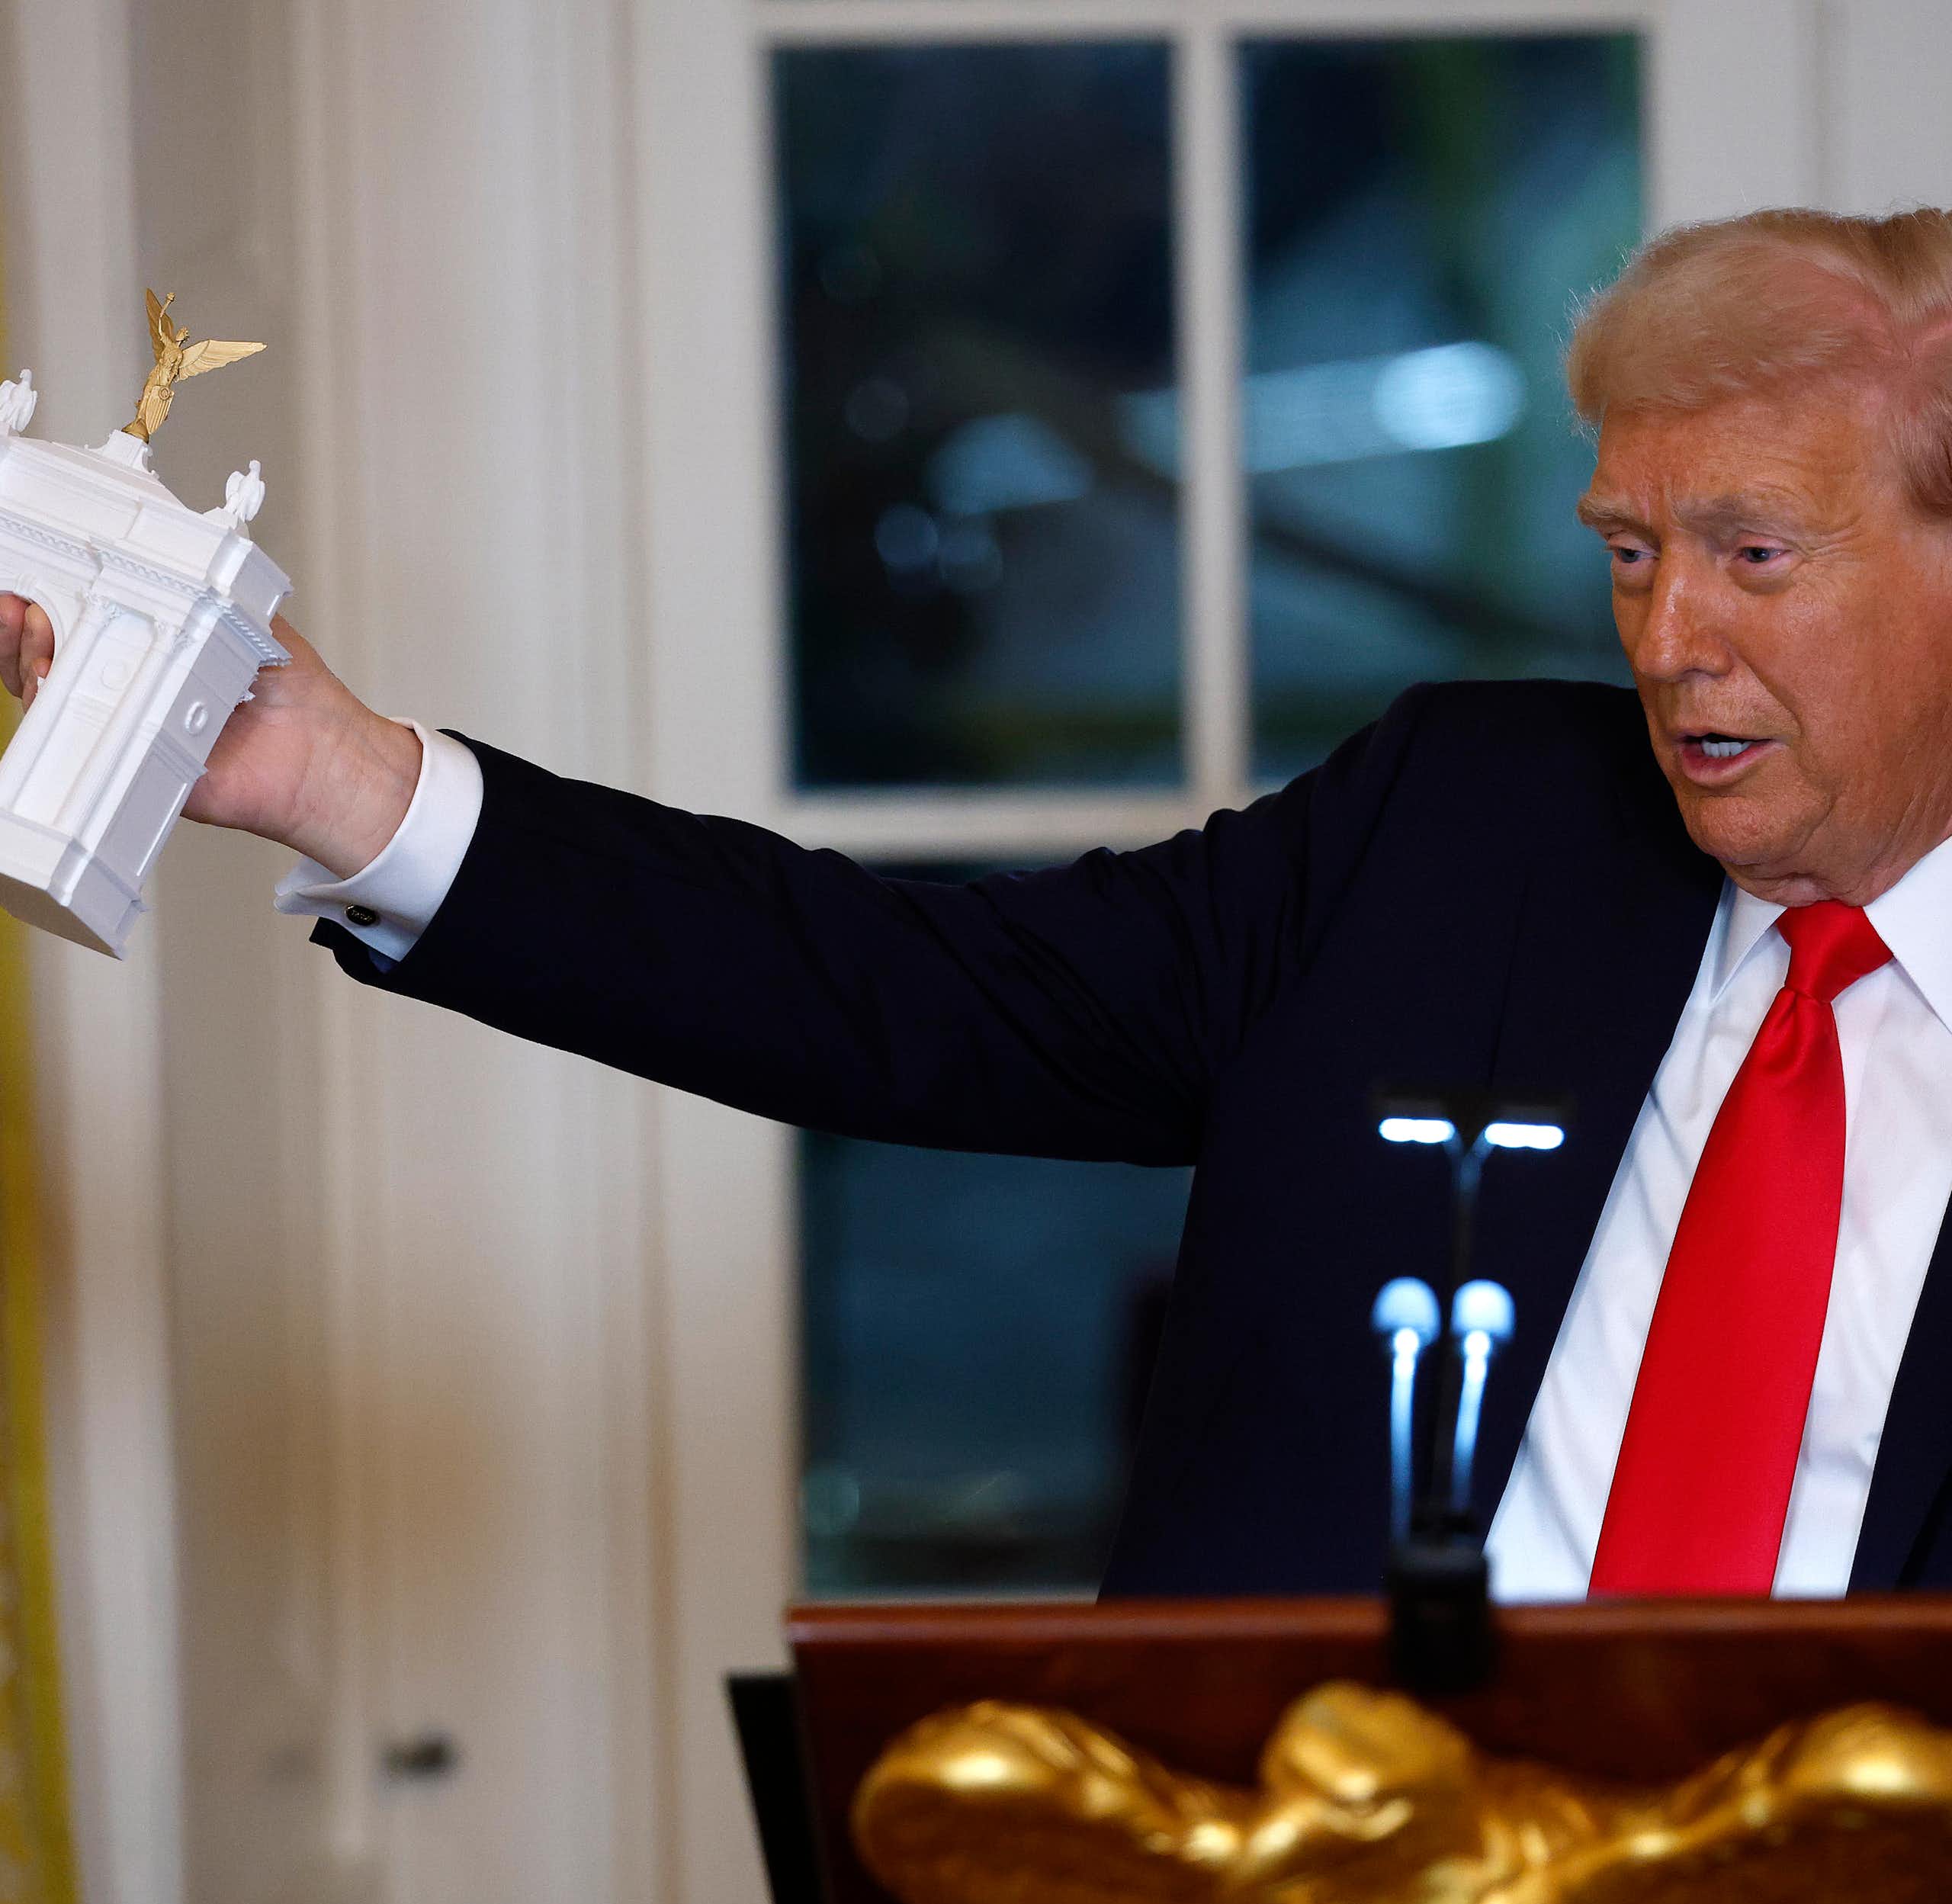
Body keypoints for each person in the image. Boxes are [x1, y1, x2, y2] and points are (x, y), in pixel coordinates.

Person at [10, 206, 1952, 1601]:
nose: (1667, 638)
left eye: (1752, 553)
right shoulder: (1464, 825)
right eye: (1626, 550)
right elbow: (902, 987)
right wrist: (336, 776)